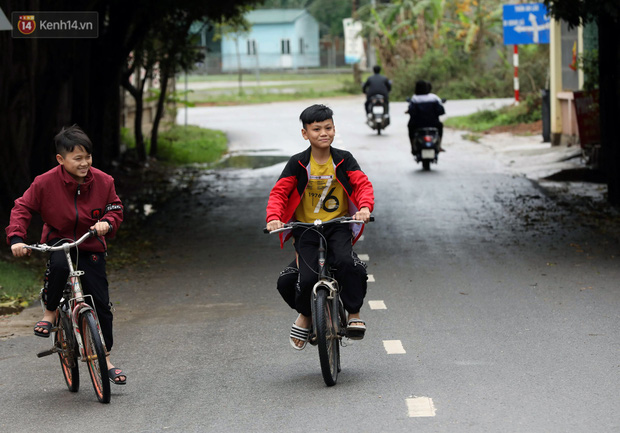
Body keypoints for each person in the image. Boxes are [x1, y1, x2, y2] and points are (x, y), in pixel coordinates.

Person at [5, 125, 127, 385]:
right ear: (61, 159)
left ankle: (104, 358)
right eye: (78, 158)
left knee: (101, 305)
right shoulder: (45, 182)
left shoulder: (104, 181)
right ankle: (50, 313)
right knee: (59, 266)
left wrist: (107, 221)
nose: (85, 163)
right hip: (59, 239)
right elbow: (22, 207)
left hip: (90, 241)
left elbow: (115, 208)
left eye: (88, 157)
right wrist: (17, 238)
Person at [266, 104, 374, 350]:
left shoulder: (344, 160)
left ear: (334, 129)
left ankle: (353, 314)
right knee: (303, 280)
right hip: (305, 229)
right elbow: (279, 193)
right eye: (316, 129)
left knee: (348, 264)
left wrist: (365, 208)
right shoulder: (298, 163)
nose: (323, 133)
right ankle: (306, 315)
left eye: (328, 127)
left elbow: (362, 185)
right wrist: (274, 217)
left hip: (337, 226)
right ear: (305, 134)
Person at [406, 80, 446, 153]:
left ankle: (412, 147)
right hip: (433, 123)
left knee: (410, 127)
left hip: (417, 124)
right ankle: (439, 145)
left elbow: (412, 111)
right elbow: (441, 111)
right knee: (440, 126)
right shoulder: (433, 98)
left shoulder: (415, 99)